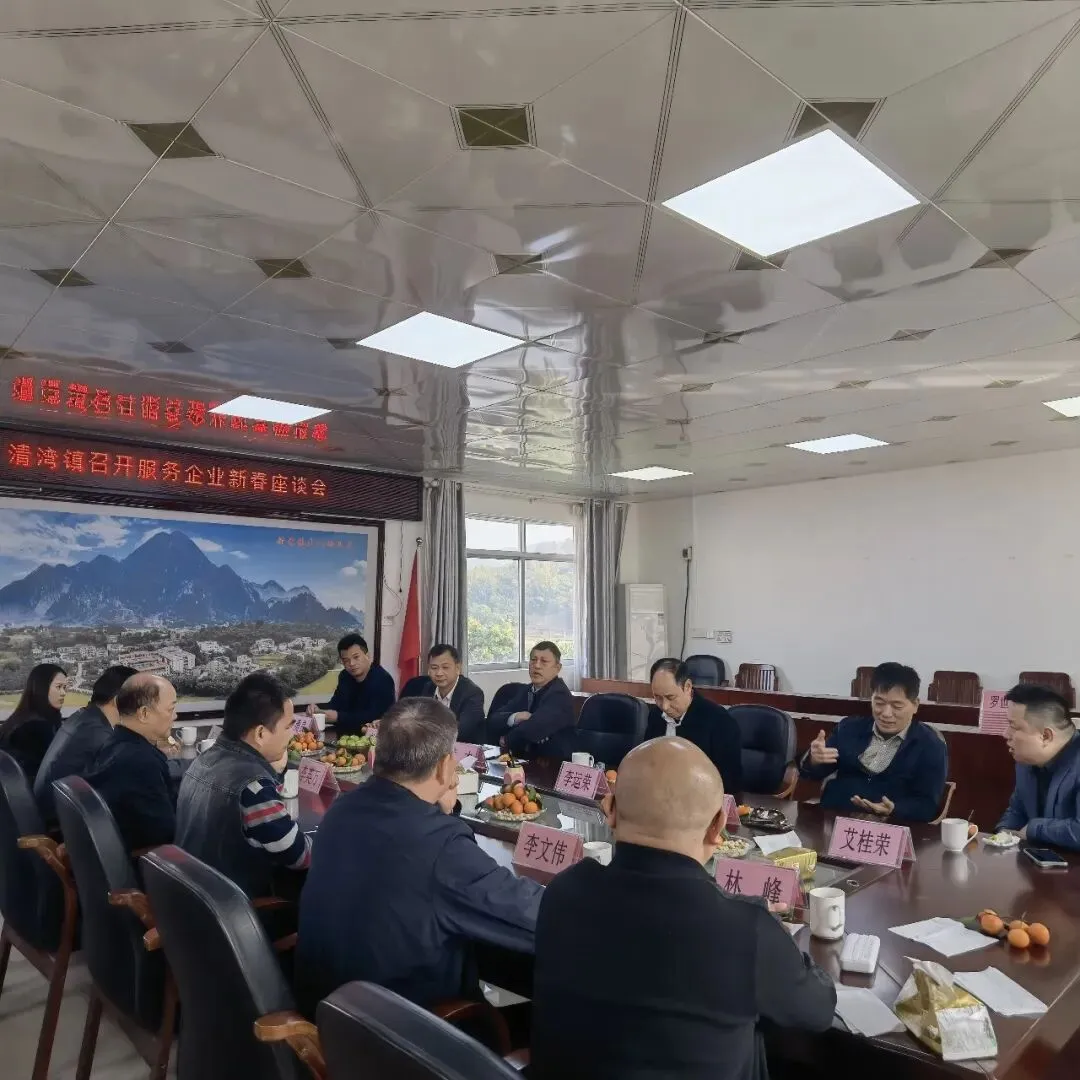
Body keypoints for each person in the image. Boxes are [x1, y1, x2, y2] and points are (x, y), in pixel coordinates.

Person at [530, 737, 835, 1080]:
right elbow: (819, 1009)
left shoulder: (563, 891)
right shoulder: (745, 930)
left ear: (610, 809)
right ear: (718, 826)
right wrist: (771, 932)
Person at [296, 697, 542, 1013]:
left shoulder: (341, 809)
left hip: (330, 1018)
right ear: (444, 767)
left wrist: (442, 812)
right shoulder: (440, 845)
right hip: (406, 1031)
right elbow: (535, 915)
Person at [176, 671, 310, 898]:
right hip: (232, 908)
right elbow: (300, 856)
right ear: (260, 733)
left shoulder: (203, 760)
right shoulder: (254, 788)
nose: (292, 736)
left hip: (195, 897)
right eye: (289, 727)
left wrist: (273, 771)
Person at [799, 662, 946, 822]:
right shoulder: (849, 728)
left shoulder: (930, 745)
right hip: (837, 818)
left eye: (897, 706)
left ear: (915, 705)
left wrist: (894, 809)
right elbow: (812, 774)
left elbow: (927, 805)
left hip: (892, 826)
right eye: (879, 703)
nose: (886, 713)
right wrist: (814, 760)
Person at [83, 673, 178, 852]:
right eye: (171, 709)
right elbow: (165, 834)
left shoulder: (114, 743)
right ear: (144, 713)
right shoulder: (142, 761)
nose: (175, 716)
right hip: (146, 861)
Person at [34, 665, 138, 821]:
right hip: (61, 819)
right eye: (138, 699)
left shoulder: (86, 717)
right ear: (117, 700)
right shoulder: (97, 732)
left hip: (56, 808)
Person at [998, 683, 1080, 849]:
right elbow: (1017, 811)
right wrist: (1003, 833)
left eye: (1013, 726)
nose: (1005, 734)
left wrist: (1034, 829)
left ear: (1046, 736)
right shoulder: (1026, 762)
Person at [644, 658, 743, 794]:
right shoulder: (655, 715)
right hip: (660, 795)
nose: (665, 706)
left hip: (702, 798)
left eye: (670, 697)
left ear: (688, 687)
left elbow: (730, 782)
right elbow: (647, 760)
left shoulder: (719, 721)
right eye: (658, 697)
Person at [487, 641, 575, 757]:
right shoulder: (527, 690)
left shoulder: (560, 694)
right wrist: (515, 717)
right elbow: (493, 719)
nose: (537, 666)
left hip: (551, 762)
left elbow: (533, 729)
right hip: (520, 759)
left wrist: (505, 740)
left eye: (544, 661)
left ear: (557, 668)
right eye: (533, 660)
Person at [307, 632, 394, 735]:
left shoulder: (383, 680)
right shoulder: (345, 676)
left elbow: (373, 716)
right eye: (346, 660)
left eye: (356, 657)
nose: (351, 664)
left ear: (367, 656)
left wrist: (338, 717)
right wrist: (319, 710)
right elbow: (336, 704)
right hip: (344, 736)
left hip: (375, 739)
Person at [400, 644, 486, 743]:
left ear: (458, 668)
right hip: (431, 746)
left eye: (445, 667)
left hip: (462, 748)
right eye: (434, 668)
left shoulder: (472, 694)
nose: (439, 673)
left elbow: (461, 731)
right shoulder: (427, 688)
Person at [0, 663, 67, 783]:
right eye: (59, 687)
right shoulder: (35, 728)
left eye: (65, 687)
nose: (63, 693)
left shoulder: (21, 718)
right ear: (42, 688)